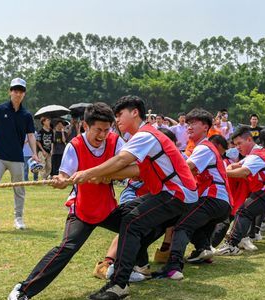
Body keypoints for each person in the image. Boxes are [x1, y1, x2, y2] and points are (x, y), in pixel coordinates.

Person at [73, 95, 197, 300]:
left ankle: (119, 285)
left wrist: (89, 173)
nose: (117, 120)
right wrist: (104, 175)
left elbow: (122, 160)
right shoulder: (143, 136)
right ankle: (141, 266)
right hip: (171, 194)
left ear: (135, 113)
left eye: (120, 115)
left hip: (178, 194)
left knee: (131, 222)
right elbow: (135, 170)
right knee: (124, 215)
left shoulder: (145, 135)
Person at [8, 102, 126, 300]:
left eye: (107, 130)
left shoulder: (116, 142)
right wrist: (60, 180)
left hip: (107, 209)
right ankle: (23, 289)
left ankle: (133, 269)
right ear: (85, 126)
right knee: (66, 248)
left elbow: (128, 164)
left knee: (137, 226)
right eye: (98, 130)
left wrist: (110, 175)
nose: (103, 135)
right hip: (82, 210)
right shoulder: (75, 146)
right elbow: (64, 176)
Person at [153, 108, 231, 280]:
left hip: (213, 198)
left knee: (182, 225)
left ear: (205, 127)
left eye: (193, 123)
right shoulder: (201, 147)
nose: (189, 126)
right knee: (191, 220)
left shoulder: (204, 148)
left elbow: (185, 170)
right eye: (188, 123)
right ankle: (204, 251)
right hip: (220, 202)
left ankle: (173, 267)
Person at [0, 78, 38, 232]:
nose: (18, 93)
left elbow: (30, 135)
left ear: (24, 94)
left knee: (19, 189)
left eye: (21, 91)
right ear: (10, 91)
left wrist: (35, 154)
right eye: (15, 90)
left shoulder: (27, 115)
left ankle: (18, 218)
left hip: (17, 158)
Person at [217, 127, 265, 255]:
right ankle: (243, 238)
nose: (237, 147)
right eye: (235, 145)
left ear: (249, 139)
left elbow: (243, 171)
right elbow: (236, 166)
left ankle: (231, 244)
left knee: (243, 211)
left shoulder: (258, 155)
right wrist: (229, 169)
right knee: (246, 211)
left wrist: (221, 173)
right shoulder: (256, 153)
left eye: (240, 143)